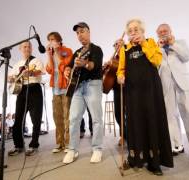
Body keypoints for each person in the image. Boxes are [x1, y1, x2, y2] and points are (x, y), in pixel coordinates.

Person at [116, 19, 173, 175]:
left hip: (151, 91)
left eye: (136, 29)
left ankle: (155, 163)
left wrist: (143, 45)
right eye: (130, 31)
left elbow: (157, 61)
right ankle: (137, 159)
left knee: (153, 121)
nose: (133, 32)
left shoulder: (151, 42)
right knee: (135, 123)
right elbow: (120, 69)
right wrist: (120, 76)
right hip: (133, 93)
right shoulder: (124, 49)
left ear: (142, 31)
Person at [156, 23, 189, 161]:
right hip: (166, 85)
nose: (163, 33)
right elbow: (155, 67)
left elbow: (187, 56)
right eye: (160, 31)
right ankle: (177, 145)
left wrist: (173, 44)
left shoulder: (181, 42)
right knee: (170, 115)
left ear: (170, 31)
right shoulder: (156, 48)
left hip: (184, 84)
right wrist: (157, 49)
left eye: (165, 30)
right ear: (157, 34)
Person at [62, 22, 104, 164]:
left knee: (96, 118)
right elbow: (69, 66)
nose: (80, 35)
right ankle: (72, 149)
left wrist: (84, 63)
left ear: (88, 32)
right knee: (73, 119)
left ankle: (97, 149)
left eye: (82, 31)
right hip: (78, 88)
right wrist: (67, 70)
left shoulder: (96, 49)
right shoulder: (77, 52)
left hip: (93, 84)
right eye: (77, 33)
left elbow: (94, 65)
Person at [7, 41, 45, 156]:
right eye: (24, 46)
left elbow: (40, 72)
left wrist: (31, 73)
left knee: (36, 119)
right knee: (18, 119)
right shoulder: (17, 63)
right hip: (21, 91)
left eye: (29, 46)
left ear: (32, 48)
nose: (27, 48)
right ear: (20, 49)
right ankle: (18, 145)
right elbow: (9, 77)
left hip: (34, 90)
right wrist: (11, 78)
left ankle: (33, 145)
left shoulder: (36, 60)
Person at [45, 31, 73, 153]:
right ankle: (59, 143)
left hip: (65, 87)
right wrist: (48, 55)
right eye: (49, 40)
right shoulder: (51, 53)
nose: (50, 42)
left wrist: (56, 52)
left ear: (58, 40)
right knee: (57, 117)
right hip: (55, 89)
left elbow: (64, 65)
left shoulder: (67, 50)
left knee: (67, 116)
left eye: (52, 39)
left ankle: (68, 143)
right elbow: (50, 70)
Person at [103, 39, 127, 146]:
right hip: (117, 89)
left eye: (120, 44)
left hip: (129, 88)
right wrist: (106, 67)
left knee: (130, 113)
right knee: (118, 113)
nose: (117, 46)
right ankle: (124, 135)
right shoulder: (114, 59)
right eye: (116, 45)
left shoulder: (128, 55)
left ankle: (132, 135)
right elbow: (109, 75)